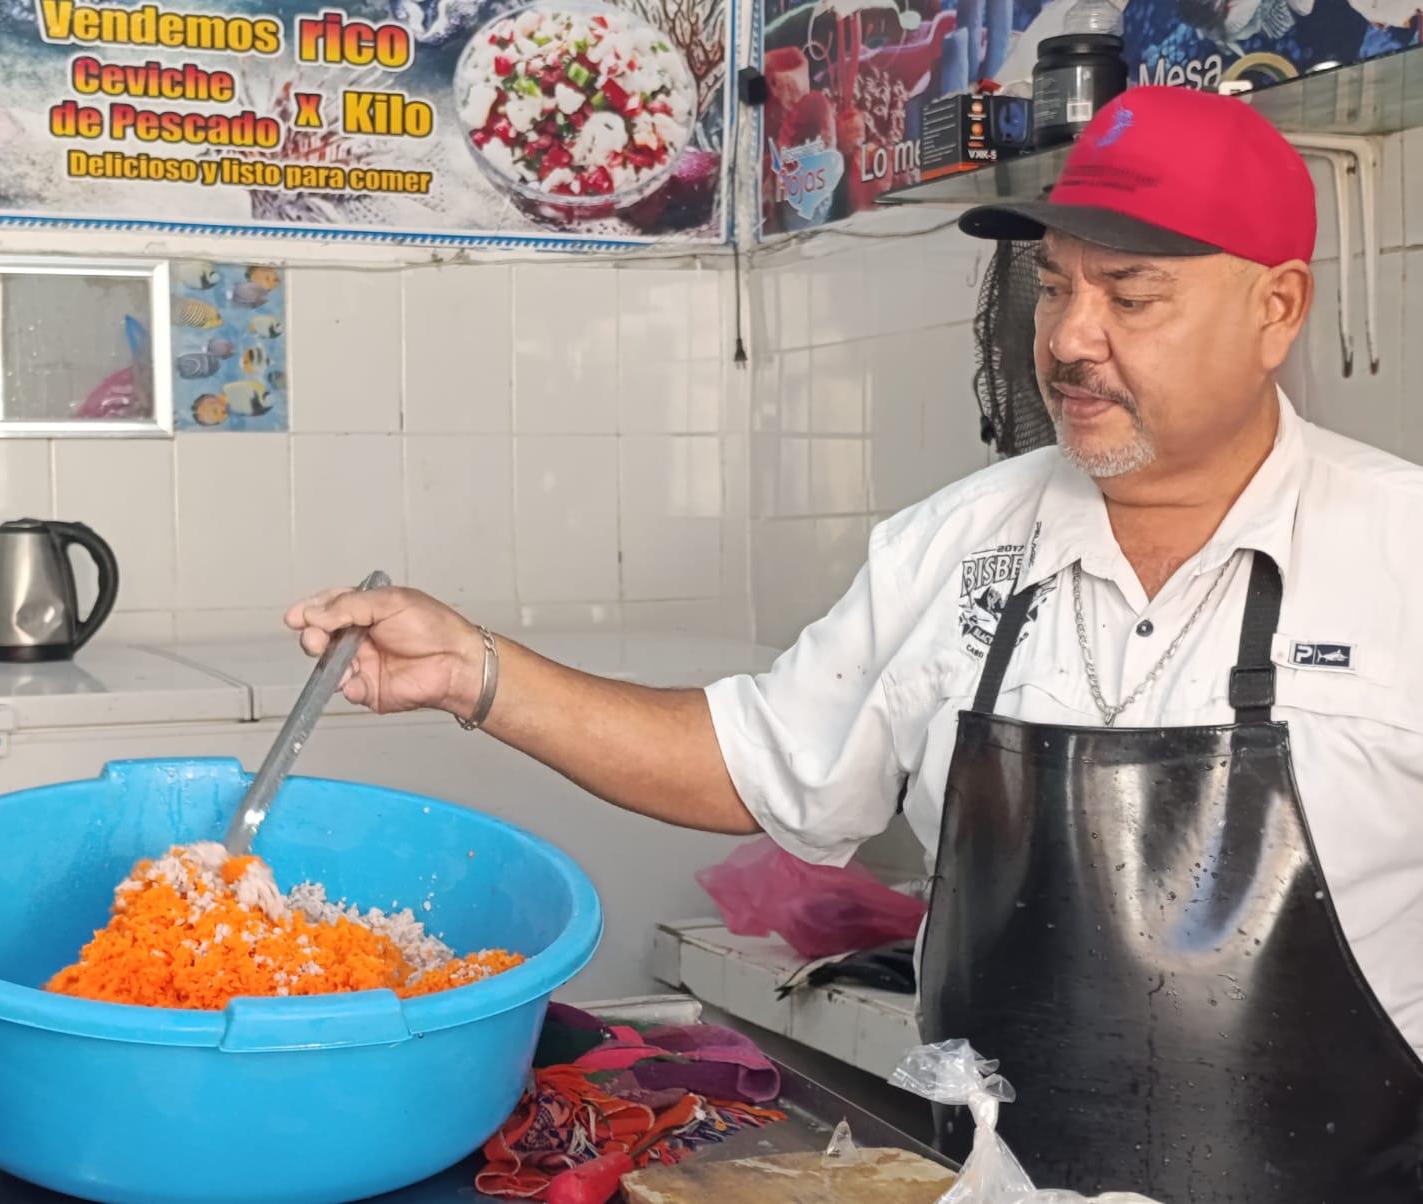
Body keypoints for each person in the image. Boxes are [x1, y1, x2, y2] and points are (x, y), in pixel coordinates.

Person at [287, 86, 1423, 1201]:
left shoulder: (1400, 553)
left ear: (1275, 309)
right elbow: (753, 760)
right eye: (1053, 287)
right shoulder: (955, 542)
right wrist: (474, 670)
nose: (1072, 339)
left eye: (1130, 295)